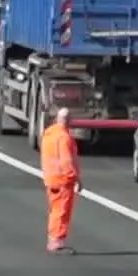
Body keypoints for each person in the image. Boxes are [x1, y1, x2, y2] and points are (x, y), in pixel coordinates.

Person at [40, 107, 81, 253]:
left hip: (51, 178)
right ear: (69, 120)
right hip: (63, 180)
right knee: (62, 212)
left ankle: (52, 240)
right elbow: (66, 161)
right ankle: (57, 242)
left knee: (55, 211)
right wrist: (75, 178)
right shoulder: (64, 138)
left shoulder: (49, 134)